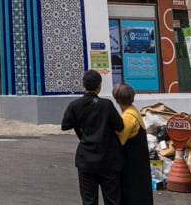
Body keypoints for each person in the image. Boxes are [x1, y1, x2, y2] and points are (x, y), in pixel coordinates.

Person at [61, 70, 125, 205]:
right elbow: (120, 126)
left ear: (84, 85)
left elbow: (65, 125)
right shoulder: (106, 105)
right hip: (108, 159)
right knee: (112, 199)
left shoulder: (75, 105)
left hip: (86, 159)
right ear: (99, 86)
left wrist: (79, 126)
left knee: (89, 200)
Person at [113, 83, 153, 205]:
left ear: (117, 100)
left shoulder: (127, 117)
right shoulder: (133, 110)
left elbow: (119, 141)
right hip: (140, 165)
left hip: (131, 166)